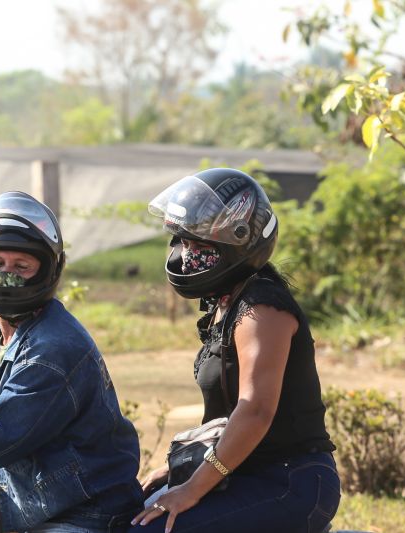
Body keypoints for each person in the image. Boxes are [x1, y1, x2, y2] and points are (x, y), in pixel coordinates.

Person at [128, 168, 340, 533]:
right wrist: (179, 469)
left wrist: (192, 489)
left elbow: (255, 412)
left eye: (199, 246)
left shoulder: (262, 308)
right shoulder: (225, 305)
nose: (186, 253)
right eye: (183, 241)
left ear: (237, 245)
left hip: (290, 482)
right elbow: (225, 419)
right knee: (129, 511)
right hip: (246, 473)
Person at [0, 191, 144, 533]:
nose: (6, 276)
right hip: (40, 510)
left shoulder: (52, 350)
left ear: (47, 271)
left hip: (85, 515)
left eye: (21, 267)